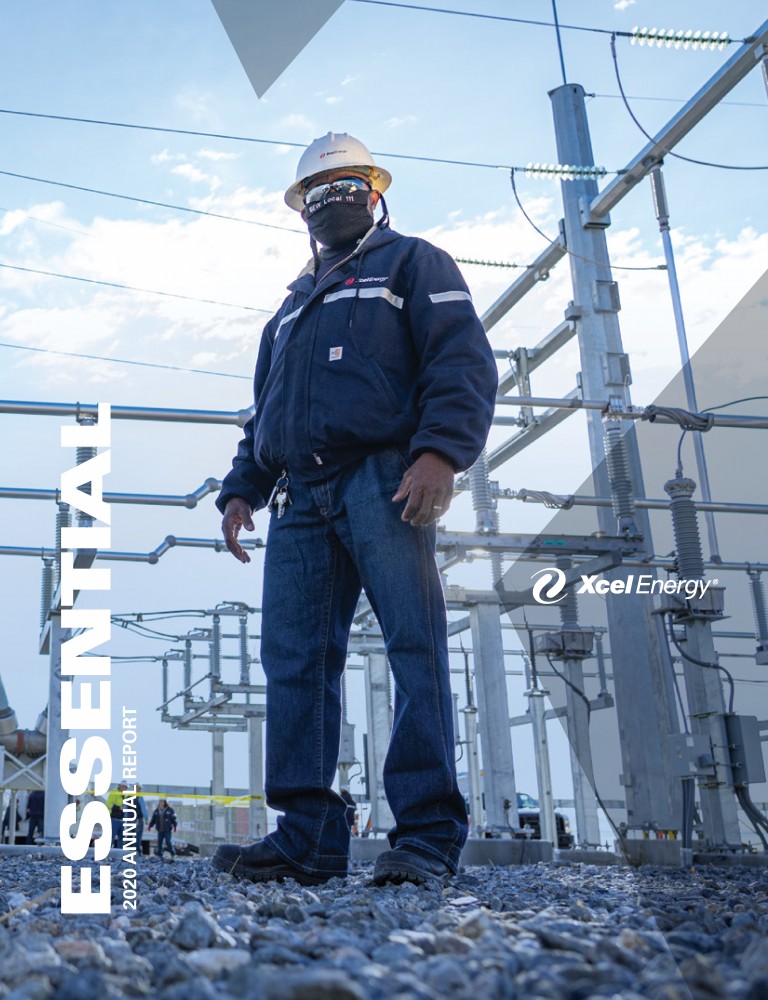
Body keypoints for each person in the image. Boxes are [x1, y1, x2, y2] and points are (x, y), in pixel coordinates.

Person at [212, 132, 497, 888]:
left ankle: (427, 833)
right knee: (295, 661)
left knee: (414, 646)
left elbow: (461, 360)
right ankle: (308, 834)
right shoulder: (291, 307)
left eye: (345, 186)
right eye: (318, 191)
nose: (331, 200)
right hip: (298, 496)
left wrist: (440, 453)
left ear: (375, 193)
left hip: (384, 478)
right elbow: (267, 408)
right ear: (301, 208)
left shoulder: (414, 264)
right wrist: (243, 487)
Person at [106, 782, 127, 849]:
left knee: (121, 837)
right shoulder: (114, 793)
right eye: (123, 786)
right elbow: (109, 804)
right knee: (111, 836)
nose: (124, 788)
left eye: (125, 787)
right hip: (114, 819)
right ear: (120, 786)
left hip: (121, 819)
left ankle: (120, 852)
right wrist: (118, 808)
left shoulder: (124, 795)